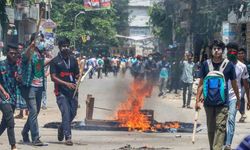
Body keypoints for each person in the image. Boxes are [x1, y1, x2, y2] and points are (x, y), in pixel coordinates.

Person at [195, 40, 240, 150]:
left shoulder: (228, 65)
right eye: (214, 48)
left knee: (220, 127)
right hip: (208, 103)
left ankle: (217, 148)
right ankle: (213, 147)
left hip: (223, 103)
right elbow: (201, 84)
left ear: (222, 51)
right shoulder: (206, 64)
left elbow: (234, 84)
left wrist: (238, 99)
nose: (216, 51)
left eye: (219, 49)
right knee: (211, 128)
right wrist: (197, 101)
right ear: (211, 50)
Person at [18, 33, 48, 146]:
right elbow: (24, 56)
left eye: (41, 40)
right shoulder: (29, 53)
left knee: (35, 112)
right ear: (33, 41)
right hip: (30, 86)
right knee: (33, 111)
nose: (41, 42)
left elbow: (40, 67)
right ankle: (35, 138)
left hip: (40, 86)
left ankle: (25, 131)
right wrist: (30, 47)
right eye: (39, 40)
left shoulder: (41, 54)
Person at [50, 37, 80, 146]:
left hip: (73, 92)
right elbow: (53, 77)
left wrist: (79, 76)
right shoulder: (55, 61)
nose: (66, 48)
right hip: (61, 92)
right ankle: (68, 137)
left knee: (73, 113)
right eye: (63, 46)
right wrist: (66, 84)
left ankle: (61, 128)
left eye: (67, 46)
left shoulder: (73, 60)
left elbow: (76, 74)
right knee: (66, 113)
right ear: (59, 47)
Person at [224, 43, 250, 150]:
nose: (231, 53)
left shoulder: (242, 66)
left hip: (235, 97)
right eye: (229, 51)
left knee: (231, 119)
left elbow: (245, 84)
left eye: (233, 51)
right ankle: (223, 139)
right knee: (221, 121)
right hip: (222, 96)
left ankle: (228, 144)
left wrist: (248, 99)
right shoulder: (223, 64)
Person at [0, 43, 19, 150]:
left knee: (5, 123)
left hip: (13, 96)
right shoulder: (1, 64)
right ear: (7, 53)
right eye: (11, 53)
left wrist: (19, 79)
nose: (13, 55)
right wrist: (3, 91)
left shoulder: (17, 66)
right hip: (2, 96)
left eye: (15, 54)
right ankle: (13, 145)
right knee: (10, 120)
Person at [15, 43, 28, 119]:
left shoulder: (24, 57)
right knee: (19, 96)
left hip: (24, 79)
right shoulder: (16, 56)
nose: (19, 49)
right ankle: (21, 113)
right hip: (18, 79)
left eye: (21, 48)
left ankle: (27, 111)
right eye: (18, 48)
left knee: (25, 95)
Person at [237, 48, 250, 122]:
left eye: (242, 53)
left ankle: (243, 113)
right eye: (239, 53)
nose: (240, 55)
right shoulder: (235, 64)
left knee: (241, 97)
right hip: (237, 84)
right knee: (239, 98)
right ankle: (242, 113)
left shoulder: (247, 64)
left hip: (245, 84)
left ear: (244, 54)